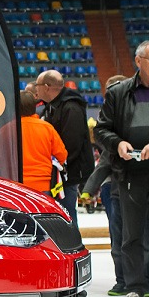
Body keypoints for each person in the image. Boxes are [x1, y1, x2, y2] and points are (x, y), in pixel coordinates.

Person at [94, 40, 149, 297]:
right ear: (138, 61)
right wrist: (117, 143)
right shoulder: (118, 92)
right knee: (132, 234)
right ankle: (135, 287)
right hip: (131, 174)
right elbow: (101, 130)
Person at [83, 75, 149, 297]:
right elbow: (105, 161)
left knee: (144, 237)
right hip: (117, 190)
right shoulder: (114, 129)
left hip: (140, 186)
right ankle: (125, 281)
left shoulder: (134, 121)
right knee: (123, 239)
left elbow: (104, 162)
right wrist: (89, 188)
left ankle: (147, 280)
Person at [35, 69, 94, 229]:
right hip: (59, 171)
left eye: (38, 85)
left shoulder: (70, 107)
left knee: (66, 216)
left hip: (67, 173)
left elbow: (72, 144)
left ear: (46, 87)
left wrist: (57, 165)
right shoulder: (52, 106)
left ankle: (72, 243)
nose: (36, 89)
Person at [18, 90, 67, 195]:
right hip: (43, 185)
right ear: (34, 107)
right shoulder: (47, 128)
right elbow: (62, 155)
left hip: (15, 185)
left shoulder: (7, 129)